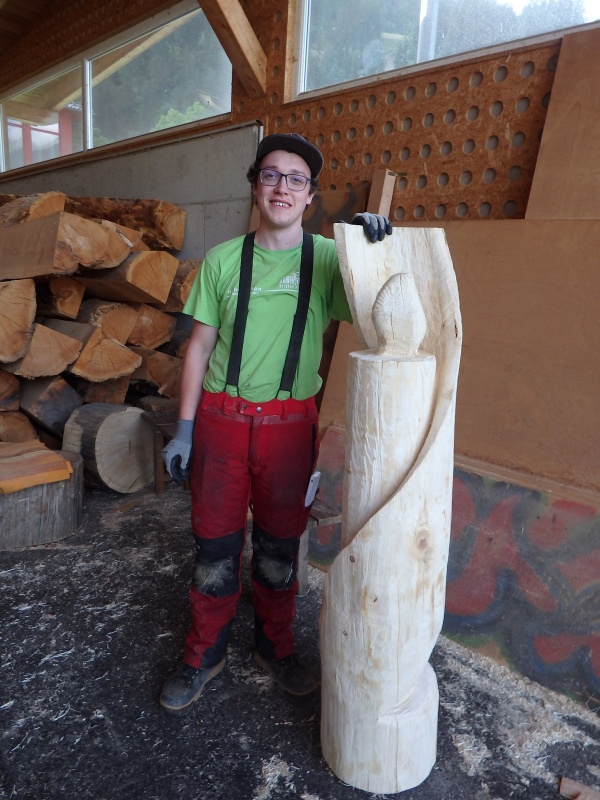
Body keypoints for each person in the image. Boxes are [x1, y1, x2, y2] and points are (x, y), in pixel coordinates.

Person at [159, 132, 392, 714]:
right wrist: (184, 428)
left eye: (296, 179)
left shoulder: (328, 260)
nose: (282, 187)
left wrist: (371, 249)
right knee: (214, 549)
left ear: (310, 196)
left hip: (290, 427)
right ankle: (203, 652)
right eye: (271, 175)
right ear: (255, 186)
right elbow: (198, 348)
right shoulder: (221, 261)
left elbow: (379, 310)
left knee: (278, 550)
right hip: (221, 420)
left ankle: (276, 646)